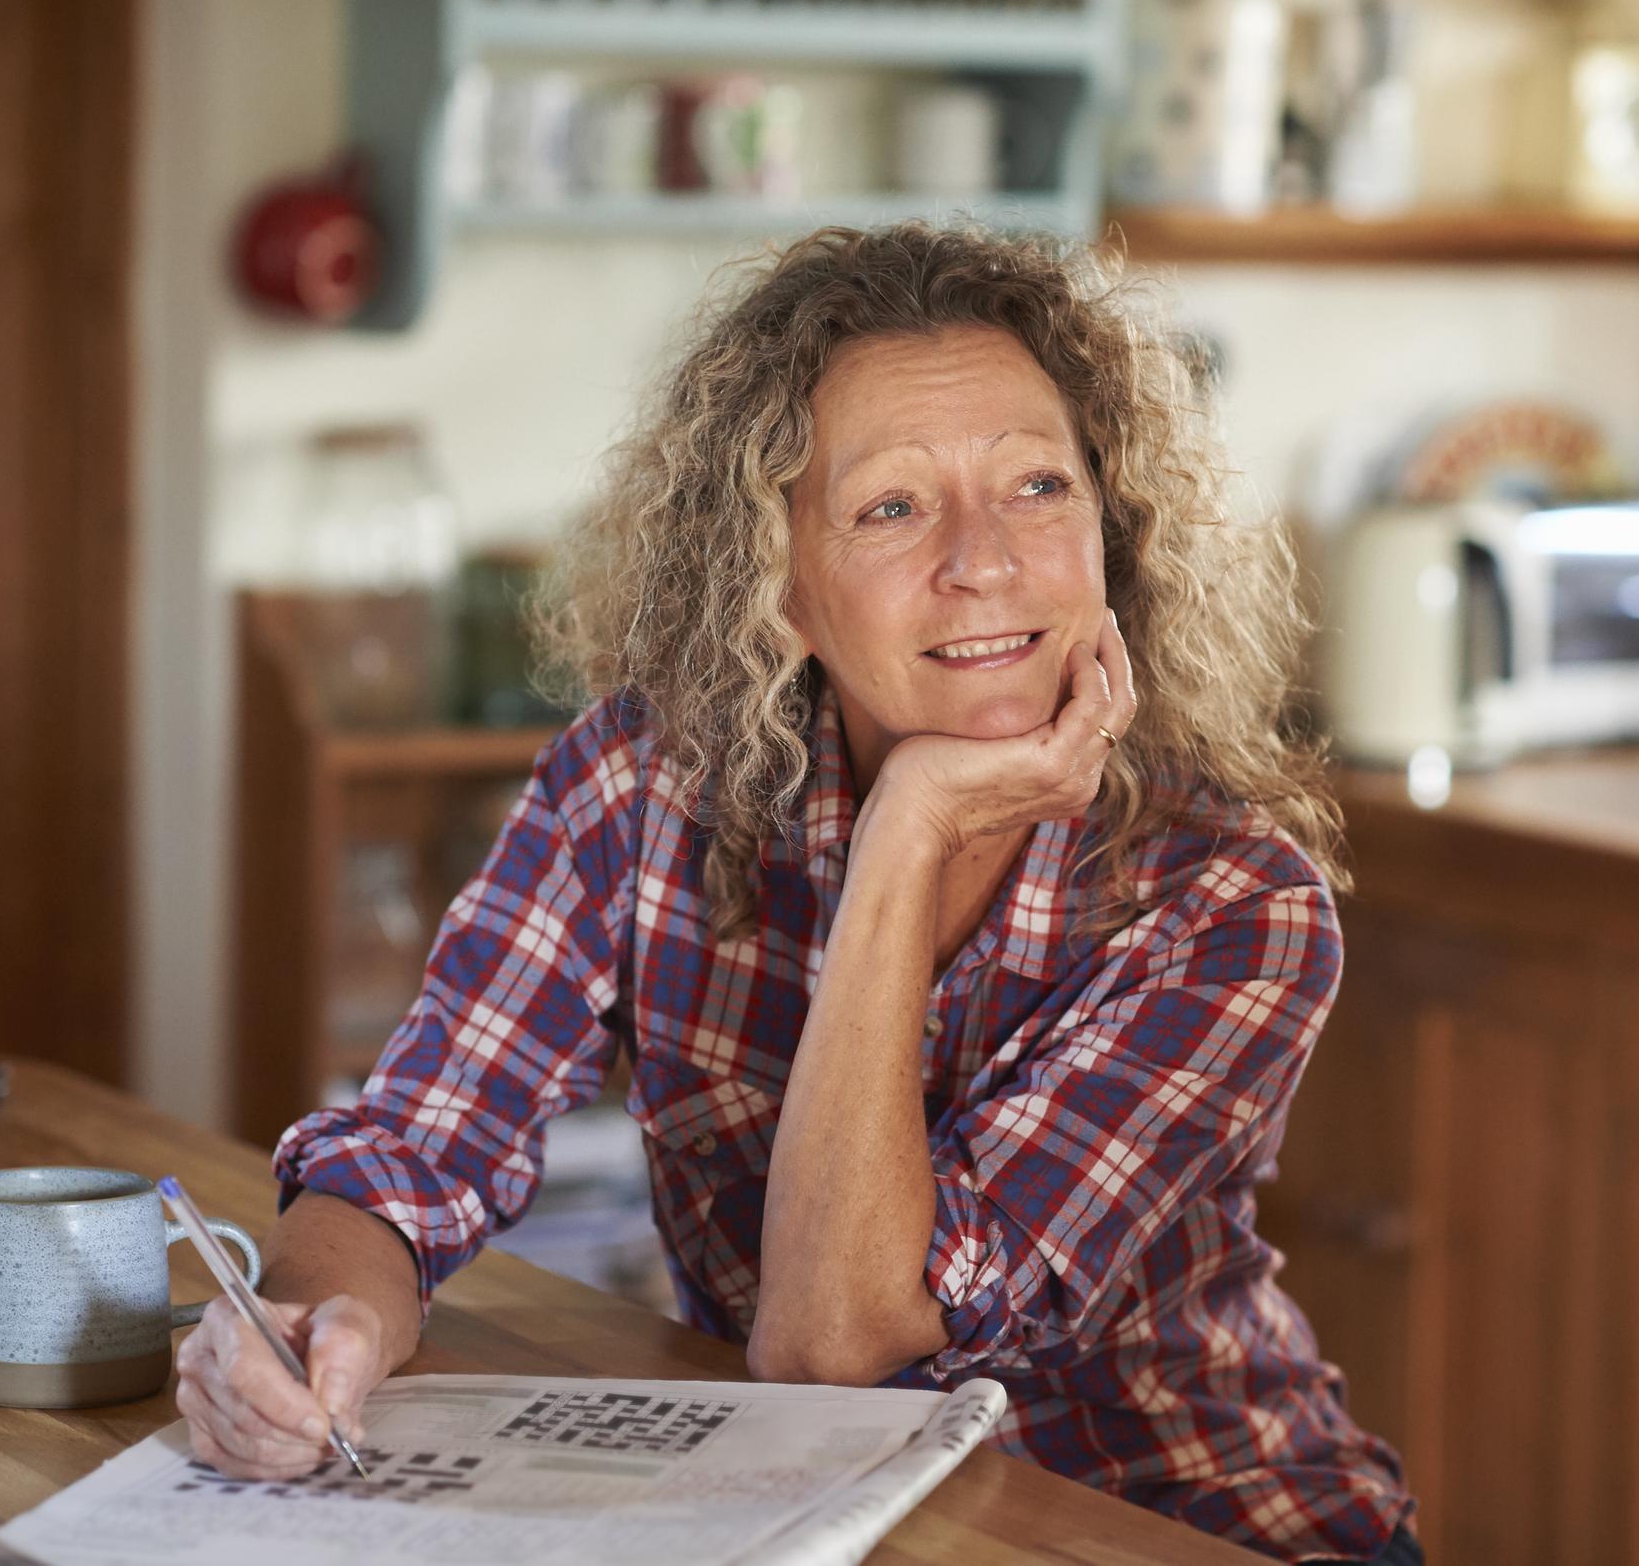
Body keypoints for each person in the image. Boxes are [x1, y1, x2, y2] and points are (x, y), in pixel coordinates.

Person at [176, 223, 1420, 1563]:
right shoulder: (638, 791)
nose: (983, 558)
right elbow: (416, 1150)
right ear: (779, 587)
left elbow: (838, 1339)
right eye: (891, 506)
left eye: (1039, 487)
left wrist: (910, 825)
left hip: (1188, 1528)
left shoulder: (1234, 905)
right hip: (834, 1527)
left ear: (1110, 531)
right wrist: (315, 1319)